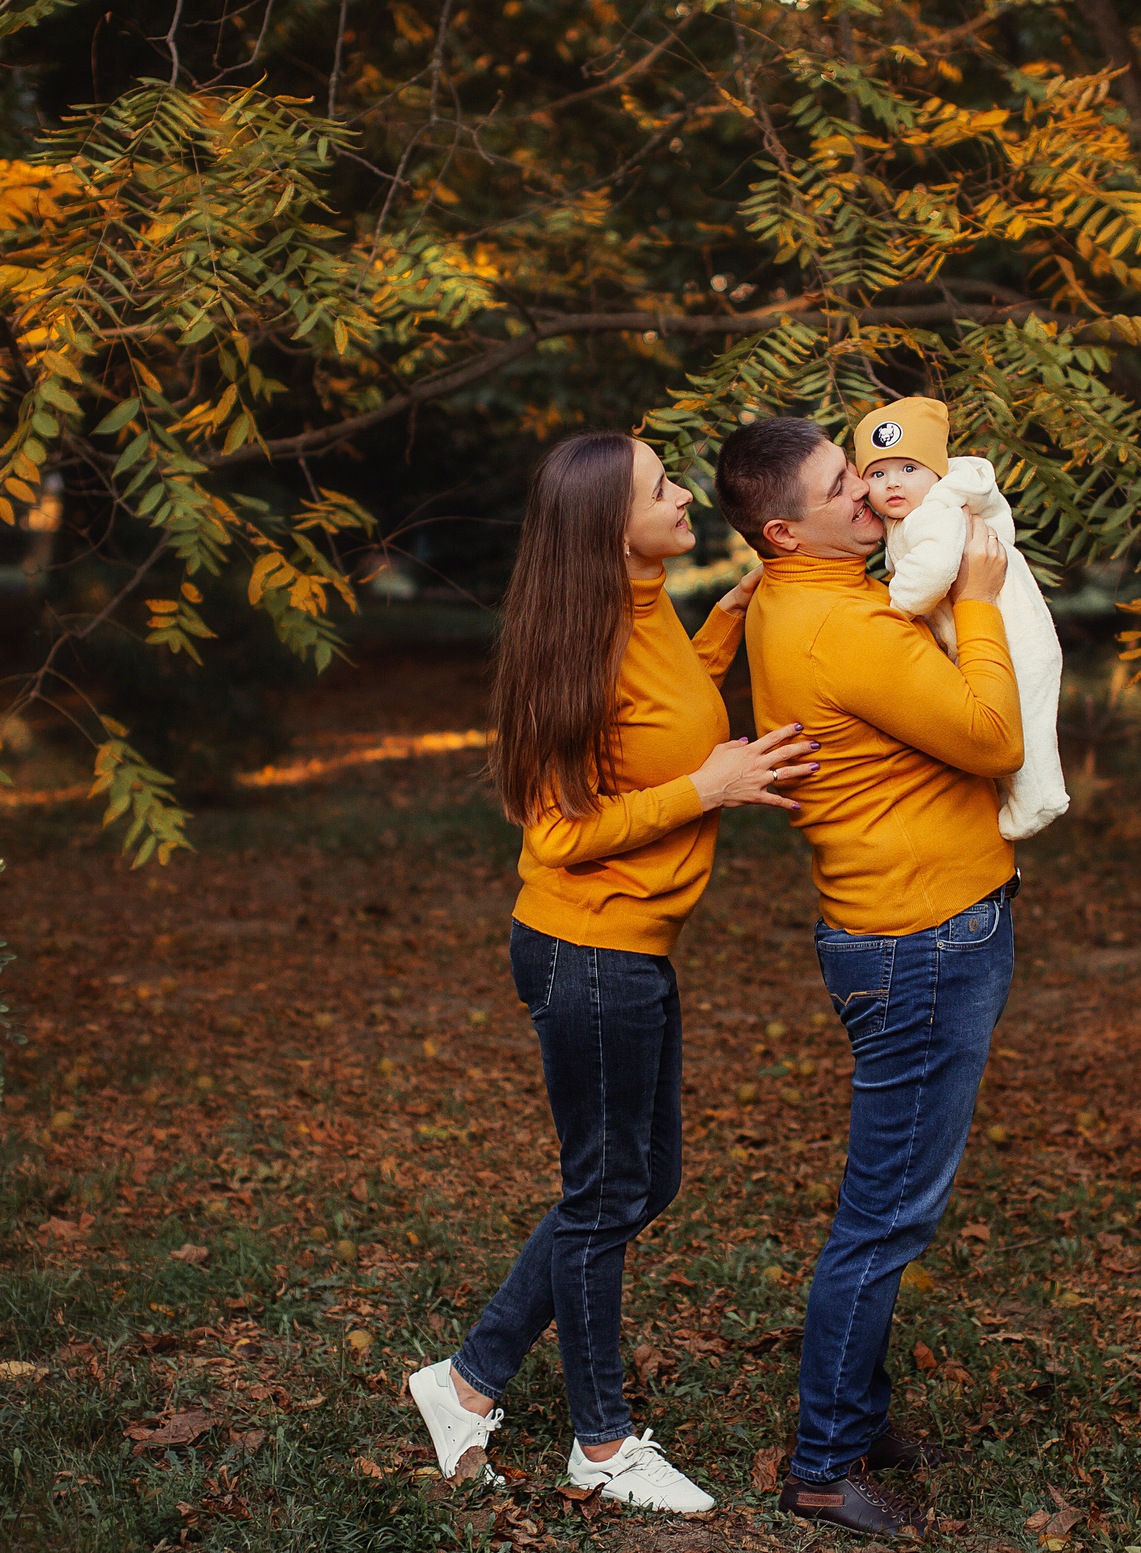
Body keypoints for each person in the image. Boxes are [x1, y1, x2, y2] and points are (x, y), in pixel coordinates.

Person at [405, 431, 818, 1514]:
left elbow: (664, 720)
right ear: (607, 526)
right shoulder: (578, 643)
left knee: (644, 1182)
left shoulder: (647, 609)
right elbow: (557, 834)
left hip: (629, 947)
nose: (684, 495)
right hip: (587, 948)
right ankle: (601, 1447)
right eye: (660, 489)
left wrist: (725, 628)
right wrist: (710, 788)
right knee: (603, 1197)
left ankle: (465, 1379)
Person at [712, 413, 1023, 1539]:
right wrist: (980, 604)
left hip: (898, 929)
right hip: (920, 941)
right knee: (885, 1216)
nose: (868, 494)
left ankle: (859, 1407)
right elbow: (992, 737)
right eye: (843, 486)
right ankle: (822, 1462)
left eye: (860, 474)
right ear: (784, 530)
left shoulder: (802, 596)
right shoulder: (848, 629)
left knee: (887, 1204)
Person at [853, 396, 1068, 840]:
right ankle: (1017, 802)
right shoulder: (911, 515)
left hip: (1015, 637)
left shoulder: (935, 512)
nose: (894, 483)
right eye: (878, 474)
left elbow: (933, 571)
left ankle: (1039, 800)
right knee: (999, 723)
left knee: (1025, 718)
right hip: (982, 633)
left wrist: (892, 610)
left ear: (938, 473)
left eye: (909, 469)